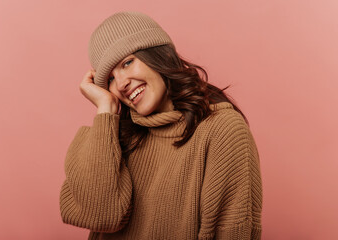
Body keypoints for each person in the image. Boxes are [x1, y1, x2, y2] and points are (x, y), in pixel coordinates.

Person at [59, 11, 263, 240]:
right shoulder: (114, 139)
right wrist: (105, 108)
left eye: (127, 62)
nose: (122, 83)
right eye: (110, 80)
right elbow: (101, 217)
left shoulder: (221, 131)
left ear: (159, 55)